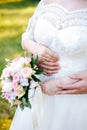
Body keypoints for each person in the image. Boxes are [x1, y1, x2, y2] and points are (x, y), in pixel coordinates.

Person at [10, 0, 87, 130]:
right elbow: (27, 36)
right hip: (39, 94)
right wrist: (36, 49)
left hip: (76, 98)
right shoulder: (45, 1)